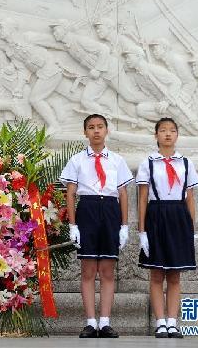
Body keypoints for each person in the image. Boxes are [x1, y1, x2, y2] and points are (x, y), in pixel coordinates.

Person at [60, 114, 133, 338]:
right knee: (89, 269)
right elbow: (71, 193)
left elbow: (122, 193)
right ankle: (90, 322)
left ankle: (105, 322)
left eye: (100, 127)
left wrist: (124, 225)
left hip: (110, 210)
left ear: (106, 130)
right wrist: (73, 225)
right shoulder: (77, 160)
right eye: (91, 127)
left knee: (108, 270)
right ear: (85, 133)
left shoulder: (117, 160)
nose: (96, 131)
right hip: (88, 210)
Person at [135, 117, 198, 338]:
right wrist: (141, 230)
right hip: (157, 215)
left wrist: (192, 229)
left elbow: (190, 198)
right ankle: (160, 322)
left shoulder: (186, 163)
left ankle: (173, 322)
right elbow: (142, 198)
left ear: (177, 135)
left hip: (179, 216)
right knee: (156, 273)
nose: (168, 134)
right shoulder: (149, 163)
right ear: (156, 135)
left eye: (172, 130)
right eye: (163, 130)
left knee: (175, 274)